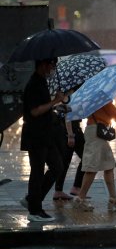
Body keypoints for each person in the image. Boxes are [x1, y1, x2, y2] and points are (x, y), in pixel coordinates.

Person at [20, 58, 65, 222]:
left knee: (57, 166)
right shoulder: (33, 84)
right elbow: (35, 111)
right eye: (51, 64)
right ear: (42, 64)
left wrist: (57, 107)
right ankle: (34, 210)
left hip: (46, 135)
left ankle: (32, 199)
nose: (52, 68)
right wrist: (55, 101)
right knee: (37, 172)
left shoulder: (42, 82)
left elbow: (44, 108)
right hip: (35, 135)